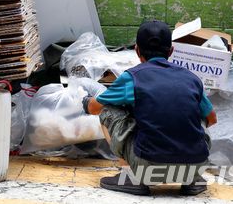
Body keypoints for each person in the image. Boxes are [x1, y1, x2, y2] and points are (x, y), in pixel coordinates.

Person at [82, 20, 218, 196]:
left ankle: (132, 177)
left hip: (147, 166)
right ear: (171, 51)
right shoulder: (192, 79)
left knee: (108, 111)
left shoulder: (133, 77)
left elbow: (95, 108)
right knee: (197, 116)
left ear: (137, 51)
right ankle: (192, 179)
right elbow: (212, 119)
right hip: (196, 165)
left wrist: (85, 101)